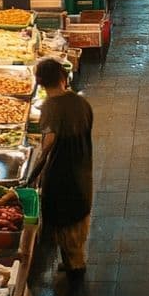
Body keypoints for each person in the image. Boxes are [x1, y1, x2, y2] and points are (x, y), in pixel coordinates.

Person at [26, 58, 93, 281]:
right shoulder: (80, 102)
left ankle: (76, 270)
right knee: (78, 219)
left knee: (65, 221)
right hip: (82, 167)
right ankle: (72, 261)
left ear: (40, 83)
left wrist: (34, 173)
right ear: (63, 78)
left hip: (62, 173)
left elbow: (48, 143)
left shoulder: (50, 107)